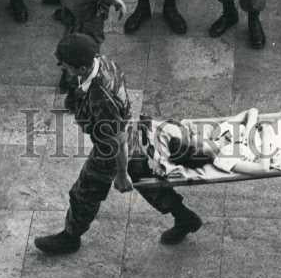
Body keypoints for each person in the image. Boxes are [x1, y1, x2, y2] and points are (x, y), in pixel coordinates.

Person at [34, 33, 203, 255]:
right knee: (147, 183)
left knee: (84, 193)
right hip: (130, 134)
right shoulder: (103, 63)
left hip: (111, 151)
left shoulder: (101, 97)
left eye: (66, 67)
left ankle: (70, 237)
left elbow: (117, 139)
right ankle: (185, 218)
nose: (64, 70)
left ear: (82, 68)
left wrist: (121, 174)